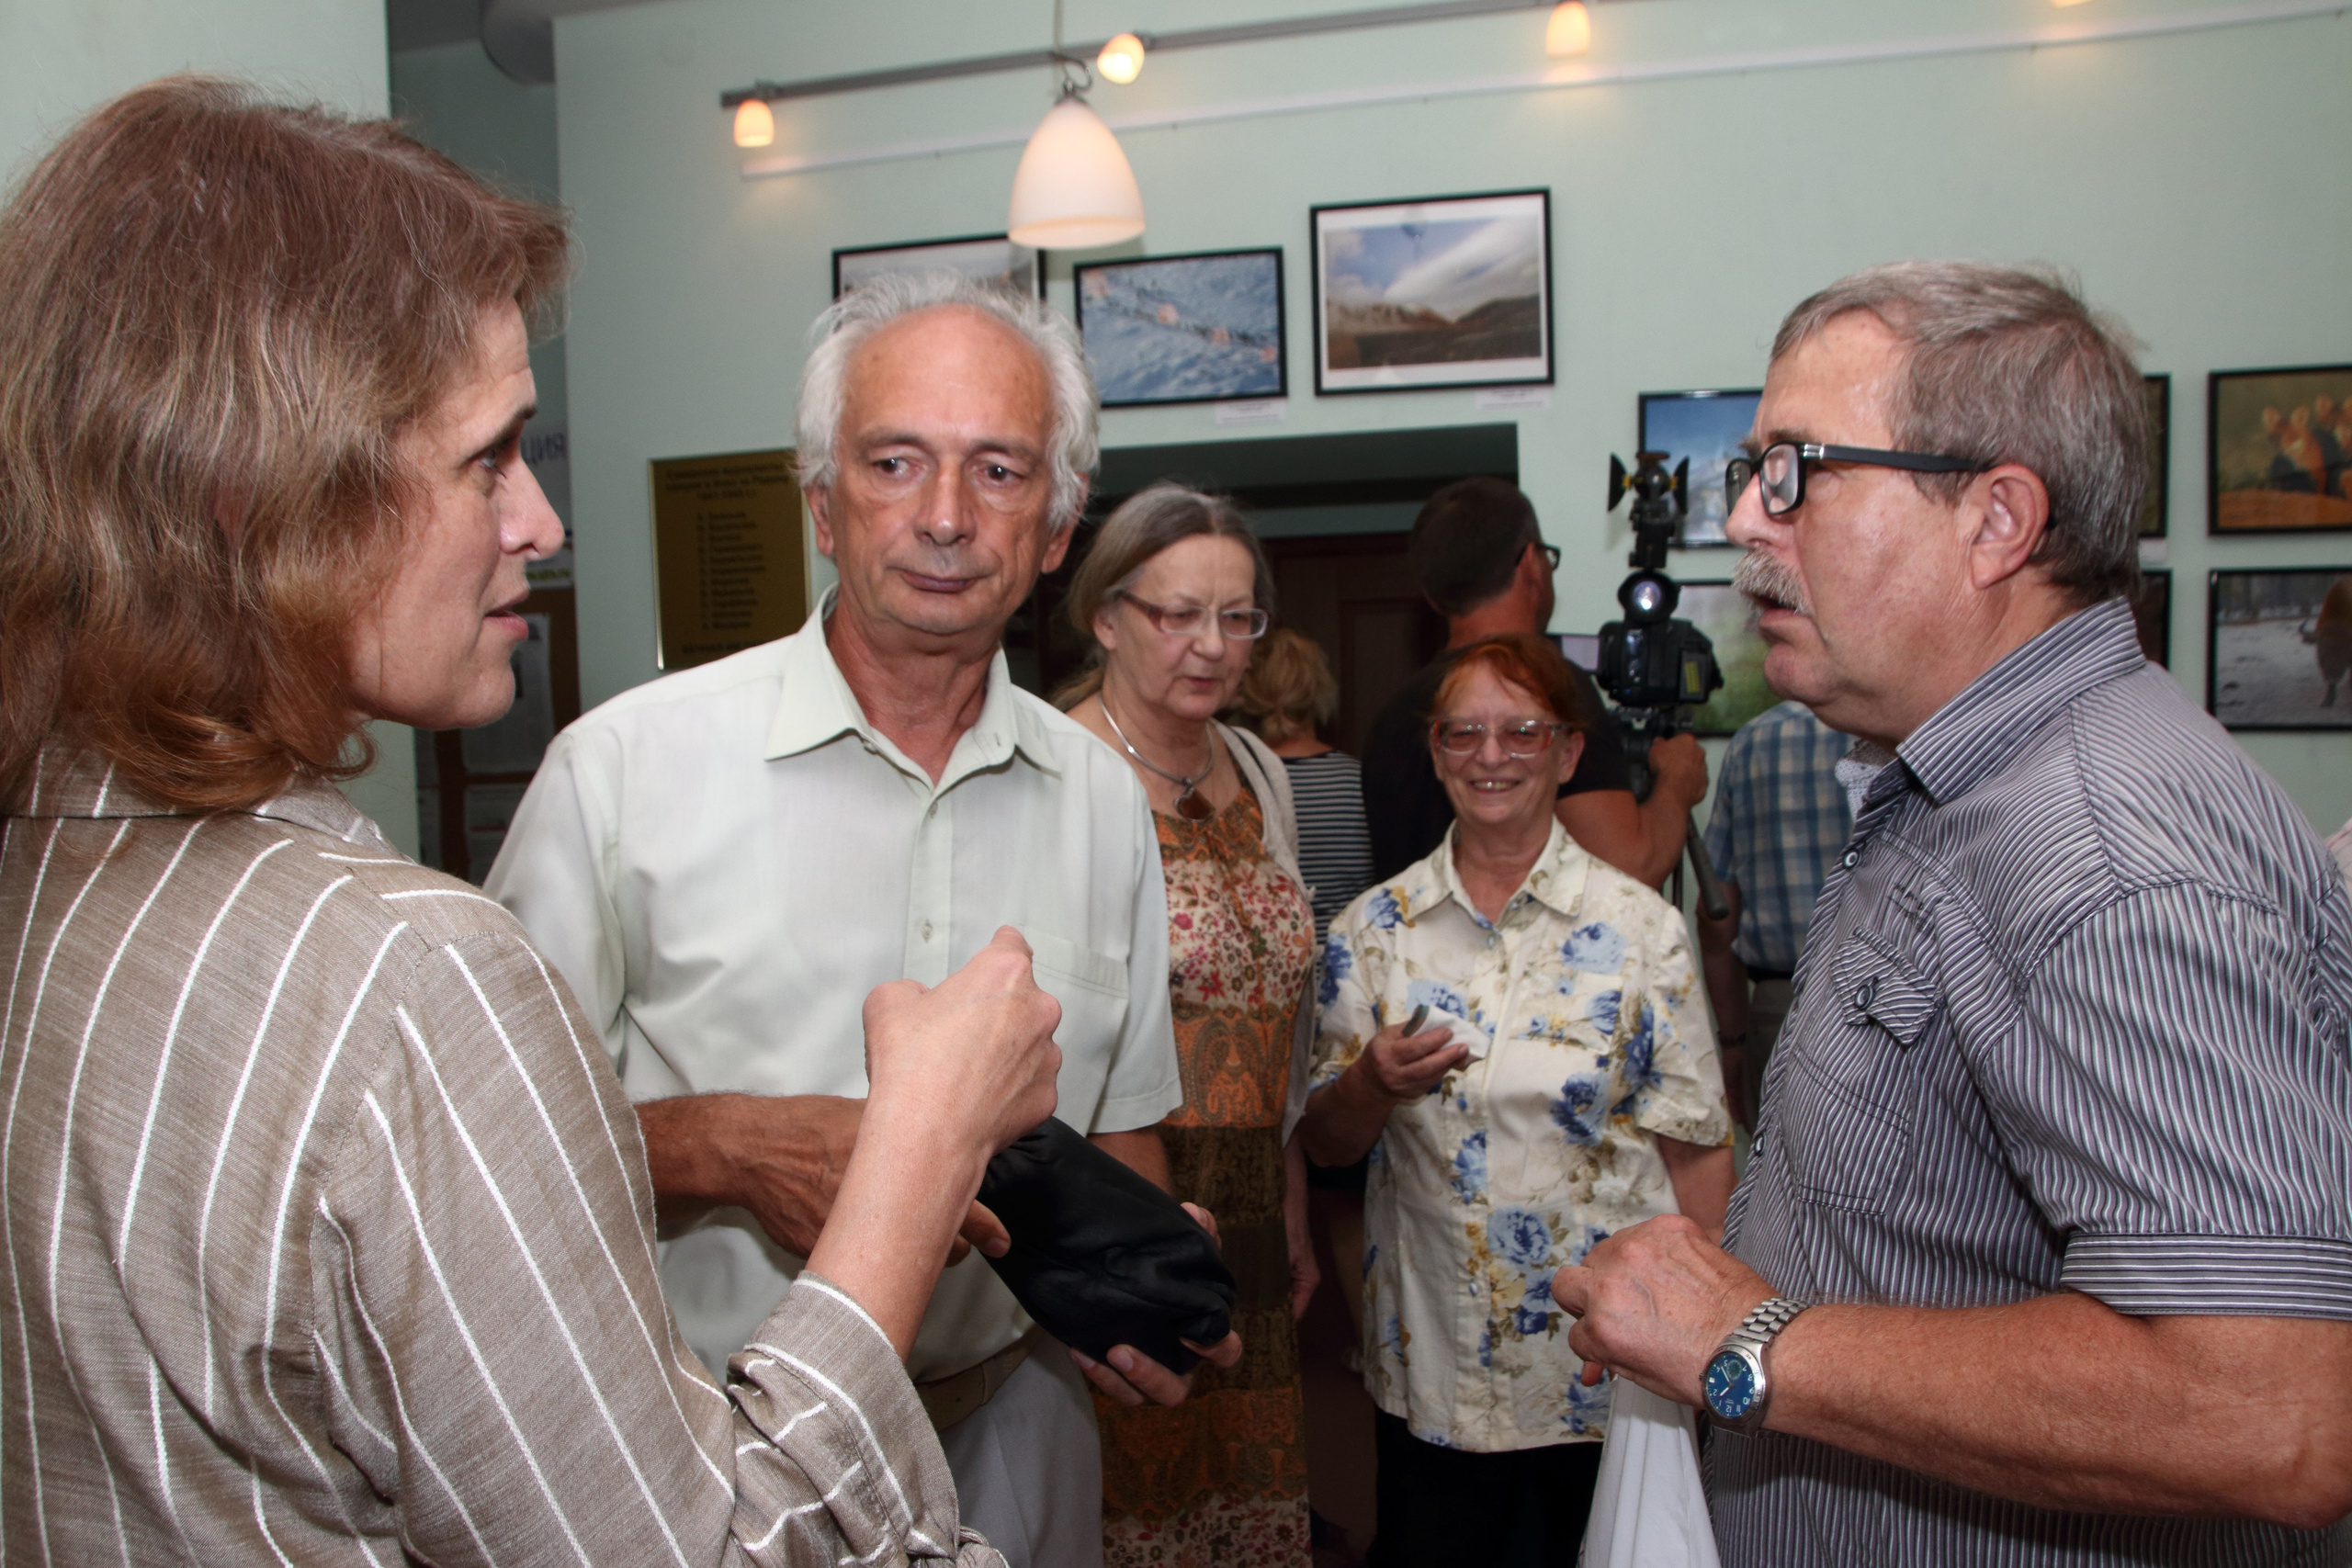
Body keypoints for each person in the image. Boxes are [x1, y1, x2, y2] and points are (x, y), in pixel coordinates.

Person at [0, 78, 1063, 1565]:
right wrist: (918, 1147)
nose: (542, 524)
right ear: (269, 495)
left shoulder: (50, 860)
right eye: (489, 456)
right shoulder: (406, 977)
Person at [1552, 262, 2352, 1565]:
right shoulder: (1956, 778)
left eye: (1795, 469)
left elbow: (2273, 1409)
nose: (1748, 519)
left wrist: (1747, 1339)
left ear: (1997, 519)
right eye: (1754, 473)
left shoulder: (2102, 852)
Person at [489, 273, 1237, 1568]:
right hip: (705, 1451)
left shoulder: (1104, 799)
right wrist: (723, 1144)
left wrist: (1138, 1270)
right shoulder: (619, 772)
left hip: (1019, 1420)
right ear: (824, 505)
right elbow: (478, 1150)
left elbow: (1119, 1120)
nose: (946, 517)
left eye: (999, 471)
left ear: (1057, 530)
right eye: (897, 461)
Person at [1300, 633, 1734, 1568]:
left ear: (1567, 753)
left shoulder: (1640, 933)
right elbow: (1328, 1146)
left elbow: (1696, 1154)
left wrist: (1706, 1339)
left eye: (1520, 733)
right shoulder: (1371, 934)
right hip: (1434, 1369)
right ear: (1436, 752)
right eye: (1463, 735)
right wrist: (1370, 1083)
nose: (1489, 757)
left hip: (1594, 1368)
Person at [1055, 485, 1318, 1567]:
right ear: (1106, 615)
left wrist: (1292, 1197)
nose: (1212, 647)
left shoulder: (1255, 769)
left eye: (1238, 616)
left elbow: (1284, 1019)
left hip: (1251, 1208)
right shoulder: (1053, 775)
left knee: (1246, 1506)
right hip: (1117, 1209)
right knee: (1130, 1509)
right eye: (1178, 614)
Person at [1359, 478, 1707, 887]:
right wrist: (1676, 783)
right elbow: (1629, 871)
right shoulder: (1547, 691)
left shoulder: (1391, 718)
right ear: (1531, 565)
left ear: (1432, 597)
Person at [1693, 700, 1853, 1127]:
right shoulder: (1918, 720)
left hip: (1780, 1007)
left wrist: (1732, 1042)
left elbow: (1715, 913)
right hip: (1918, 1002)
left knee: (1783, 1187)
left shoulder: (1755, 739)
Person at [1234, 627, 1378, 943]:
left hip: (1269, 974)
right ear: (1318, 689)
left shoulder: (1233, 786)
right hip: (1351, 969)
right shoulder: (1362, 781)